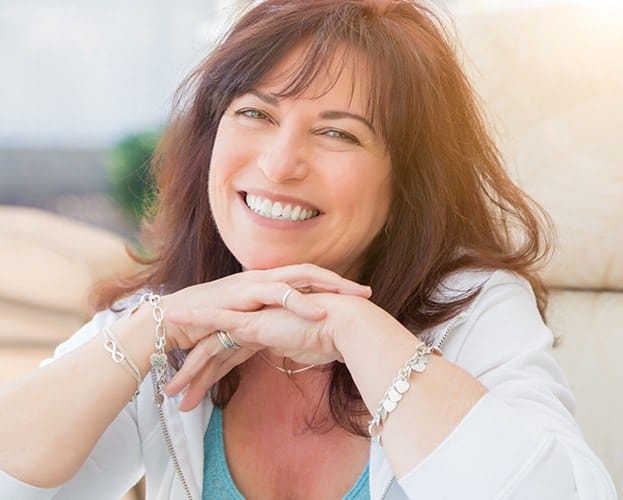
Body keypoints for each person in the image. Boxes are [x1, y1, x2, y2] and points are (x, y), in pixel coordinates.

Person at [0, 0, 617, 498]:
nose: (279, 163)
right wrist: (148, 330)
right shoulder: (174, 308)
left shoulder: (473, 310)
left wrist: (351, 327)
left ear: (408, 179)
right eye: (255, 114)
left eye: (337, 132)